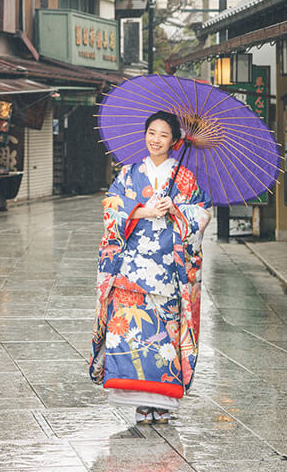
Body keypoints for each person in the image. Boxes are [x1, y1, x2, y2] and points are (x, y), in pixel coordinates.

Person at [89, 110, 211, 425]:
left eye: (163, 135)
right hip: (132, 269)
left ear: (175, 141)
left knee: (166, 338)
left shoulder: (185, 178)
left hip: (168, 269)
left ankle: (164, 402)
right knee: (131, 335)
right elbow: (111, 207)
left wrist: (177, 209)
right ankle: (140, 403)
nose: (155, 140)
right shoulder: (129, 174)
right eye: (151, 133)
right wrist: (142, 211)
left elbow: (202, 213)